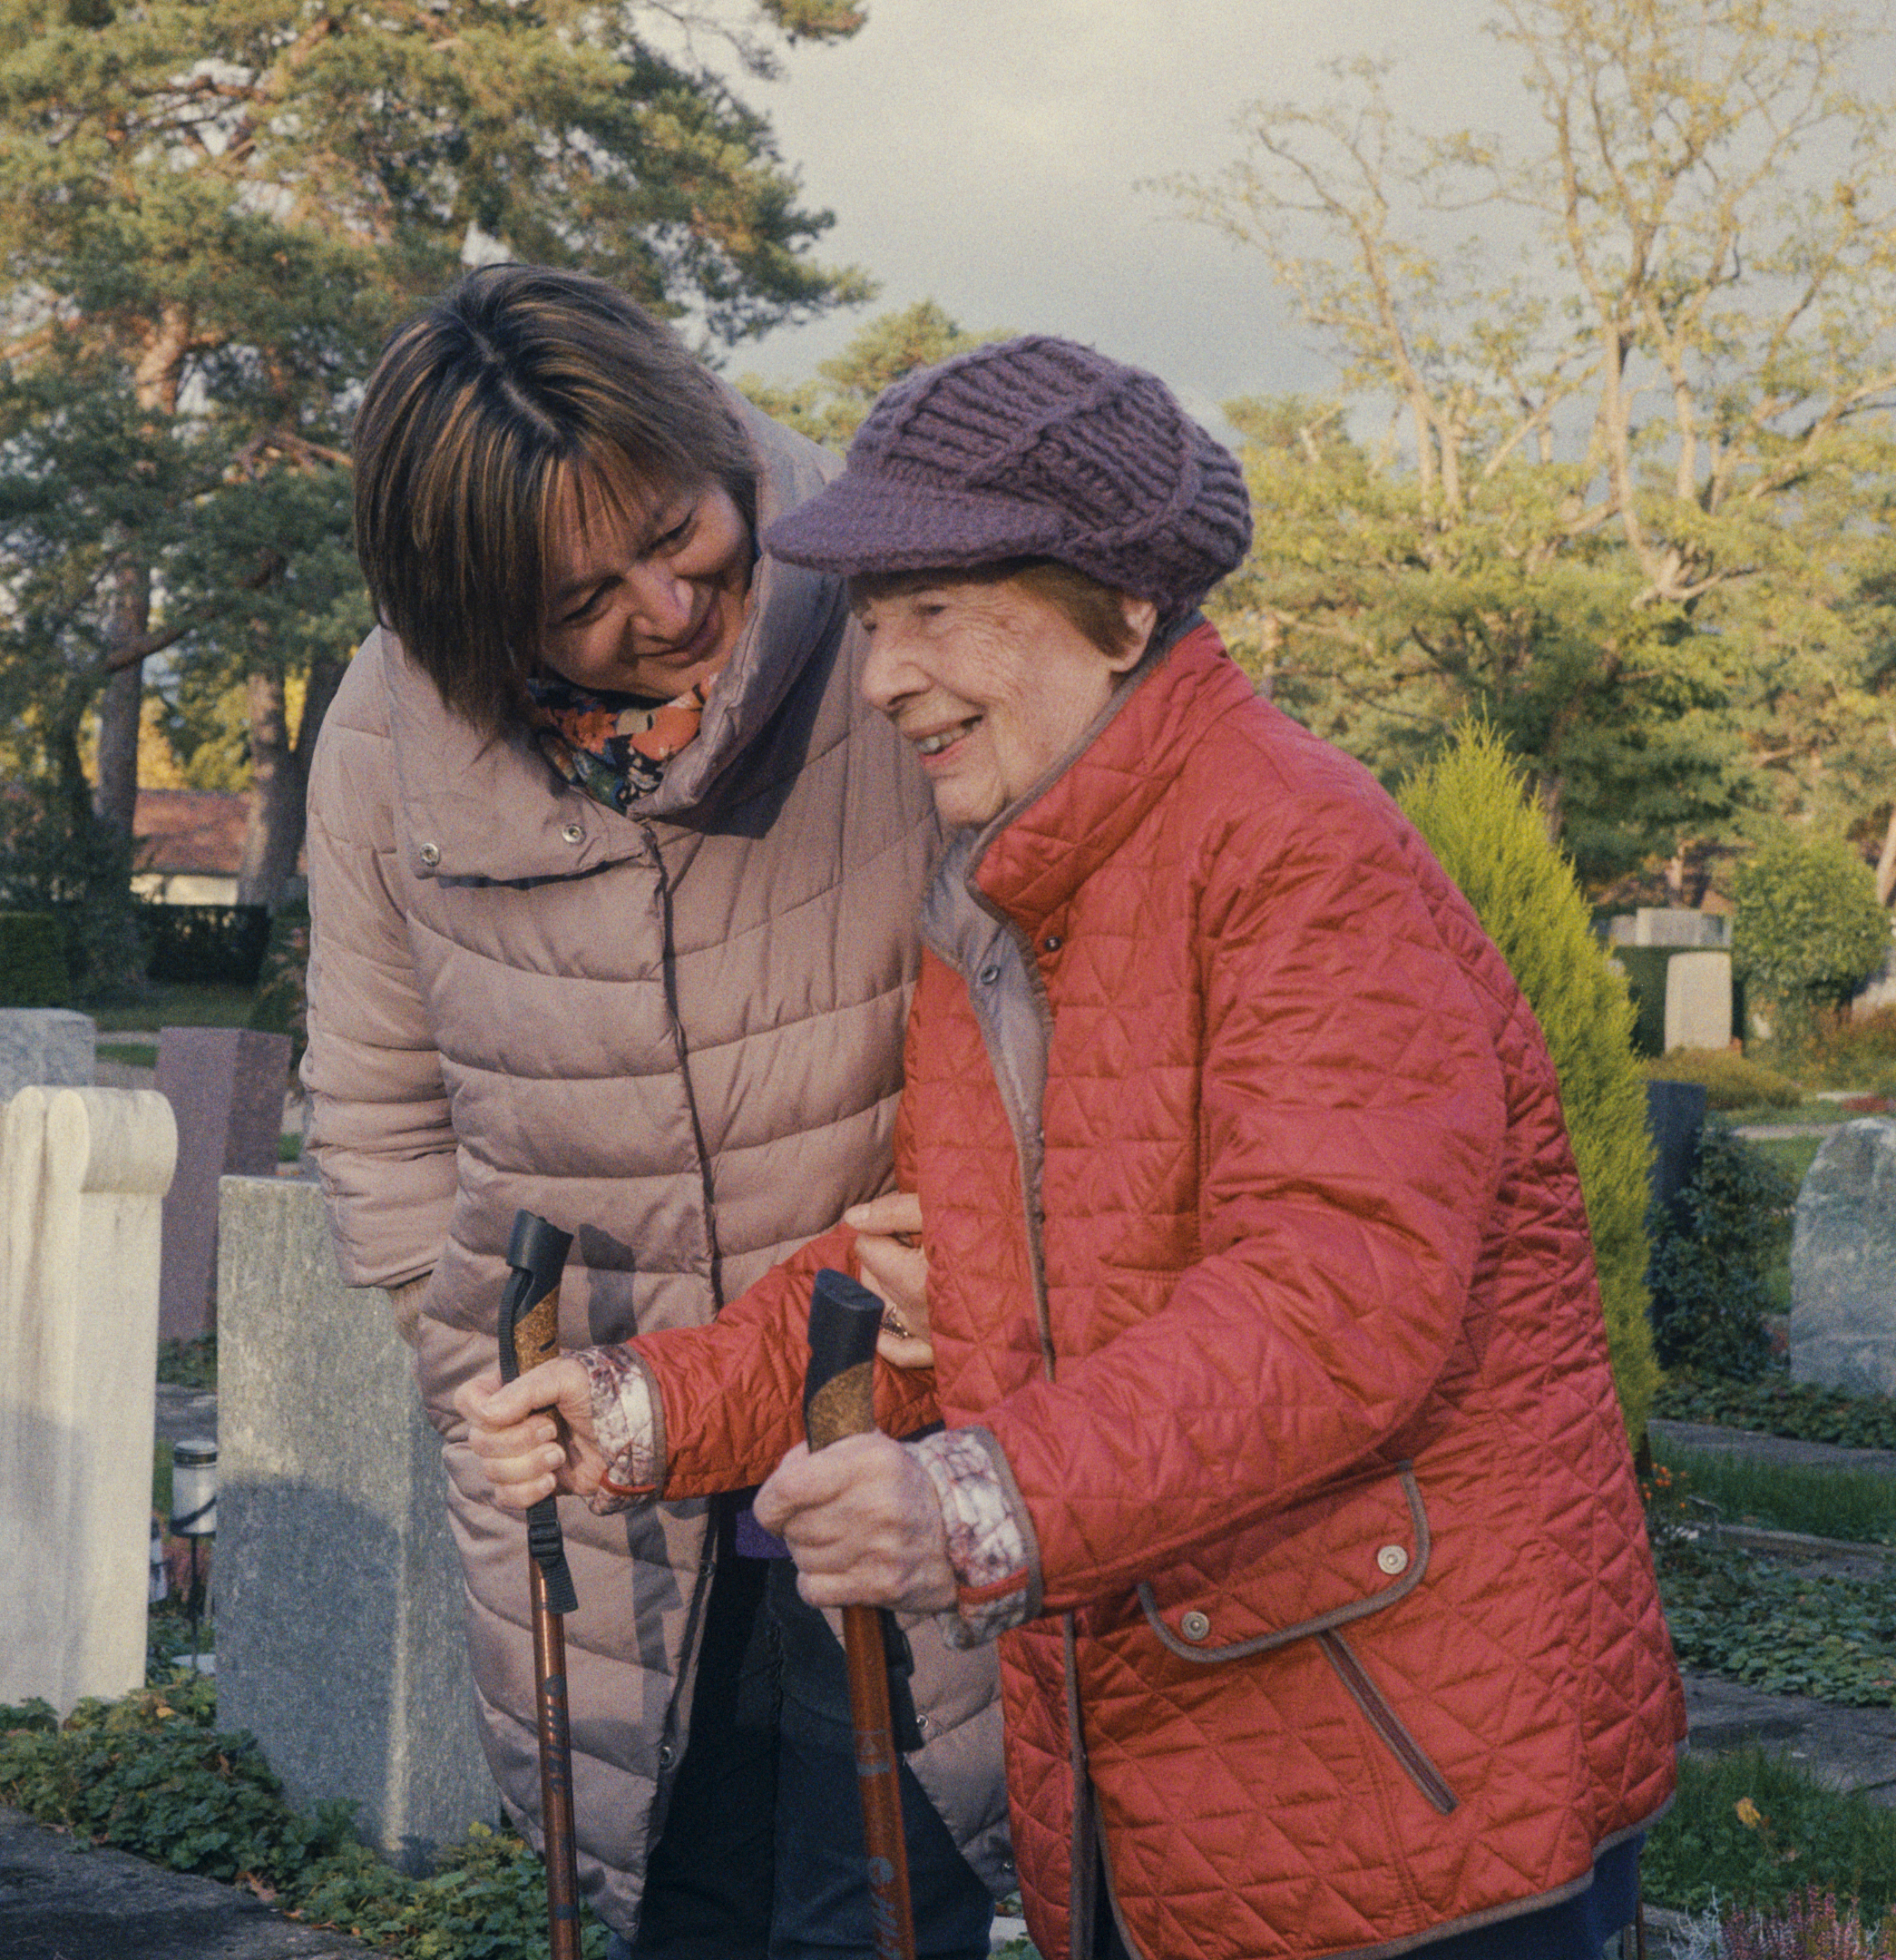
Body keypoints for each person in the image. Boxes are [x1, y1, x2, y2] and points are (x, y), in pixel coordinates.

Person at [461, 336, 1689, 1960]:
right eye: (875, 620)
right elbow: (927, 1278)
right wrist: (638, 1405)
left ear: (1122, 610)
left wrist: (976, 1500)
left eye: (940, 612)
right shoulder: (1006, 894)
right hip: (1166, 1772)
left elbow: (1336, 1308)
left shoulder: (1299, 850)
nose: (884, 672)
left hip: (1402, 1780)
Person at [304, 263, 1009, 1959]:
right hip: (590, 1440)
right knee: (670, 1904)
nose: (665, 606)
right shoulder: (388, 734)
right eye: (580, 596)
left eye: (677, 534)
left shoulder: (887, 617)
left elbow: (1025, 989)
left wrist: (953, 1296)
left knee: (886, 1902)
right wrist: (451, 1336)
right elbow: (381, 1108)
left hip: (888, 1401)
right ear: (470, 614)